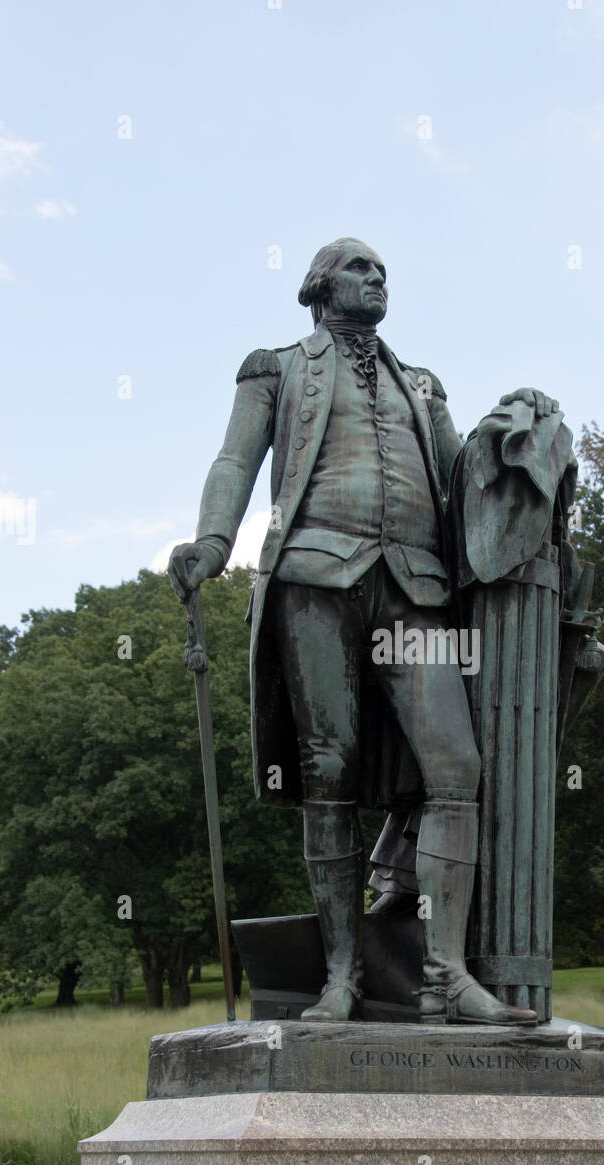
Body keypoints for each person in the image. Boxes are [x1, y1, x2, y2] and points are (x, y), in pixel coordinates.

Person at [169, 237, 559, 1025]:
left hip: (415, 586)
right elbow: (233, 462)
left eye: (382, 270)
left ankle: (447, 976)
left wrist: (520, 440)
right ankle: (342, 976)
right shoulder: (274, 367)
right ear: (319, 285)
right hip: (315, 576)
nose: (376, 277)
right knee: (329, 770)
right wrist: (212, 541)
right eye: (358, 267)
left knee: (456, 764)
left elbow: (464, 485)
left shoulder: (421, 383)